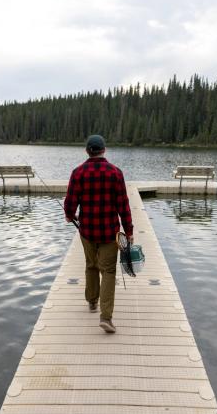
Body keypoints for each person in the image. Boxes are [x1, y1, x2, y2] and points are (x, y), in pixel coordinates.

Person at [64, 134, 134, 333]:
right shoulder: (115, 173)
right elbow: (123, 206)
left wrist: (70, 215)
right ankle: (106, 317)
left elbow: (70, 203)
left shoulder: (78, 173)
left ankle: (92, 301)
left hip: (87, 230)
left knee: (91, 265)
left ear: (87, 151)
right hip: (110, 231)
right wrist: (128, 231)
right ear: (104, 150)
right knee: (108, 271)